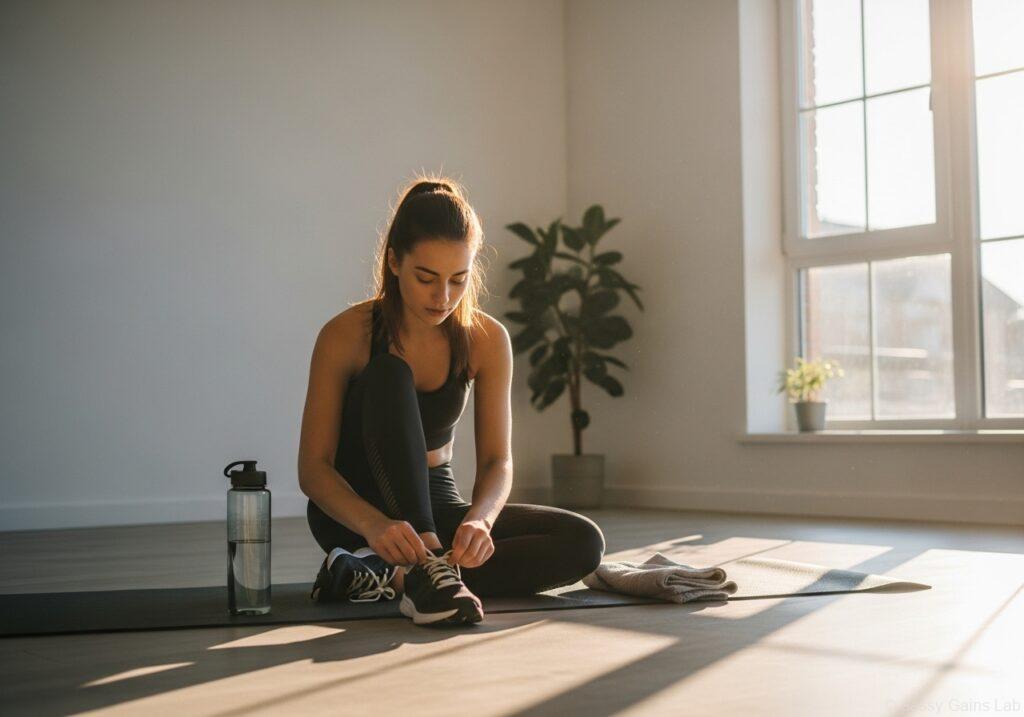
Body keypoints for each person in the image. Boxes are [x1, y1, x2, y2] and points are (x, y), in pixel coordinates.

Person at [297, 175, 606, 626]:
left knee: (583, 542)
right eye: (426, 278)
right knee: (388, 372)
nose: (442, 297)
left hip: (438, 504)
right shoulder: (345, 335)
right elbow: (314, 469)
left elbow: (497, 461)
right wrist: (374, 525)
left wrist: (480, 521)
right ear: (394, 261)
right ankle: (418, 567)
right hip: (358, 514)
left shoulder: (486, 339)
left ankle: (388, 576)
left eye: (458, 279)